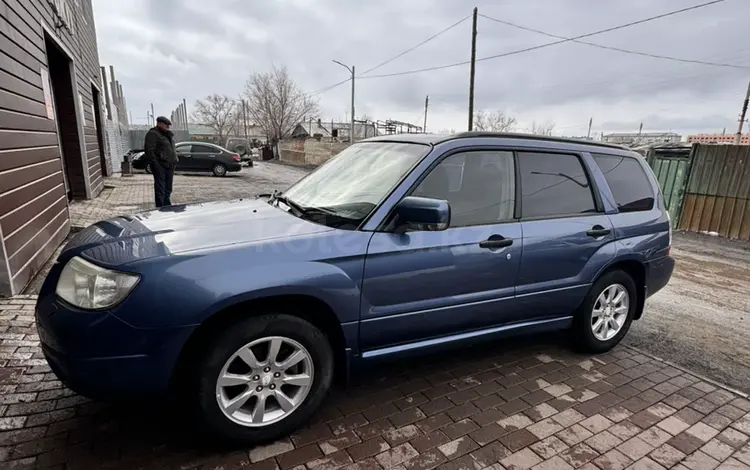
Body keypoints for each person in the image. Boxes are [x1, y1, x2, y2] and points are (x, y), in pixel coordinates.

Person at [144, 116, 178, 207]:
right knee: (160, 189)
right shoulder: (153, 134)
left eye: (168, 126)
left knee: (168, 189)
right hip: (160, 165)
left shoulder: (167, 135)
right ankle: (160, 207)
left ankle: (167, 205)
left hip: (170, 165)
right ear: (159, 124)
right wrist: (156, 164)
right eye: (165, 125)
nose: (167, 127)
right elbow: (149, 150)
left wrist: (174, 161)